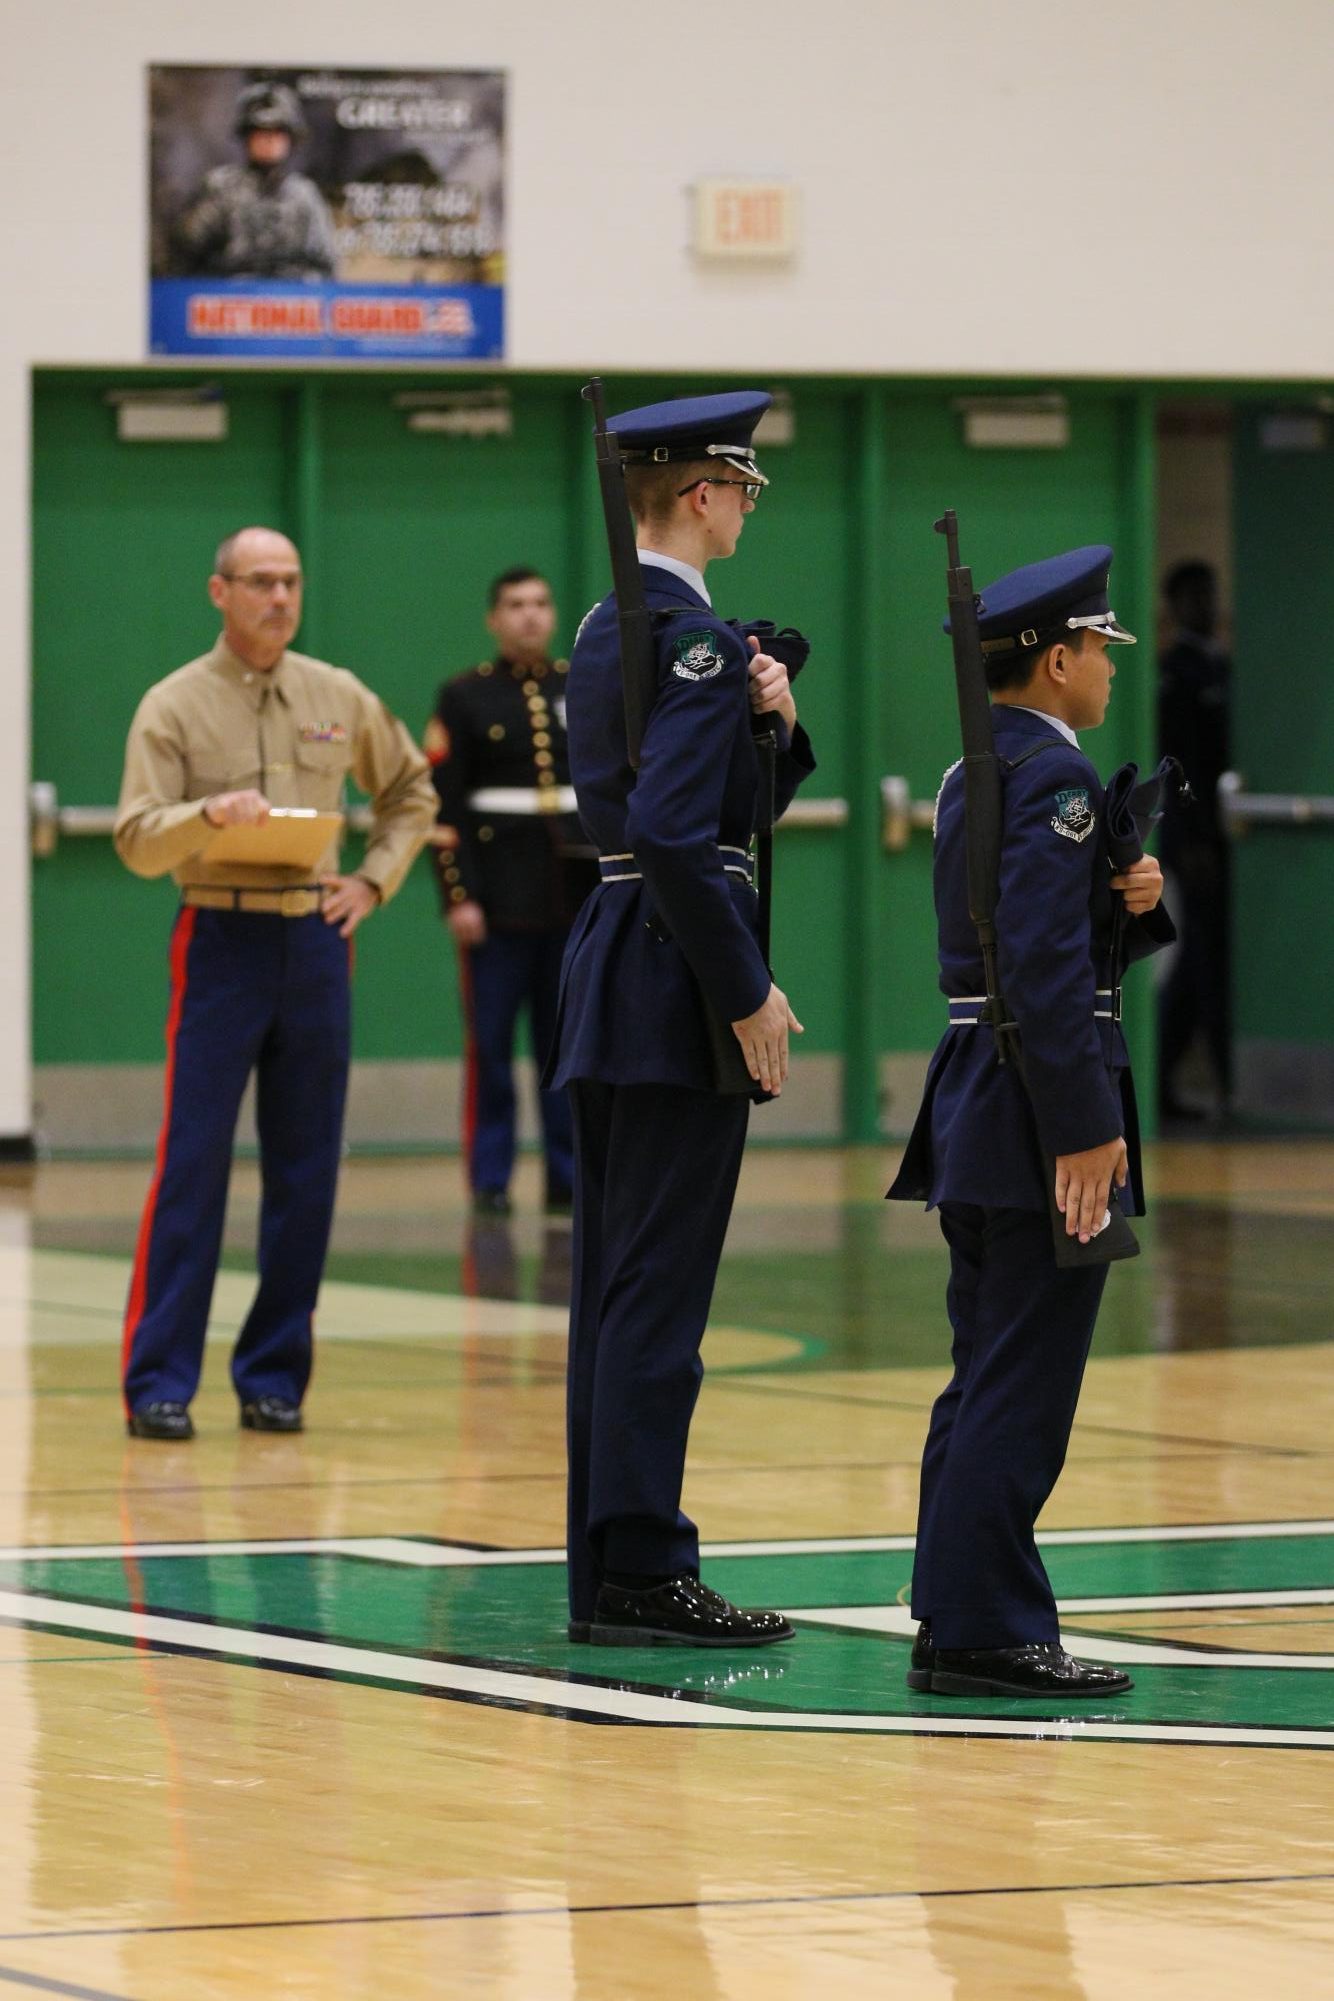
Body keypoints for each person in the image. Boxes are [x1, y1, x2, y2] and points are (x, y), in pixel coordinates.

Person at [549, 390, 816, 1647]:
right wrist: (745, 991)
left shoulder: (619, 623)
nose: (746, 508)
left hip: (618, 967)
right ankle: (645, 1566)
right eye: (741, 488)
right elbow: (674, 833)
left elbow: (694, 803)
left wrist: (777, 722)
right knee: (657, 1298)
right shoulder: (686, 634)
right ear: (700, 494)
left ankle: (609, 1566)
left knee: (622, 1289)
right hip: (671, 977)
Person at [888, 546, 1174, 1696]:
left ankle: (951, 1604)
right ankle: (985, 1628)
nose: (1108, 668)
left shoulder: (974, 773)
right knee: (1022, 1379)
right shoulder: (1053, 784)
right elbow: (1047, 974)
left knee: (984, 1368)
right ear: (1055, 661)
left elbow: (1021, 937)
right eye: (1099, 647)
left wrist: (1127, 898)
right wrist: (1084, 1124)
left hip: (977, 1087)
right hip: (1033, 1098)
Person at [114, 525, 437, 1440]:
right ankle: (159, 1381)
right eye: (260, 581)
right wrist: (205, 813)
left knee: (307, 1169)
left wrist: (373, 878)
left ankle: (273, 1375)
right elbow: (137, 837)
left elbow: (411, 793)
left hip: (315, 943)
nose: (279, 598)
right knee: (194, 1164)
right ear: (220, 591)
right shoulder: (173, 704)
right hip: (219, 938)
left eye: (291, 581)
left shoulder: (337, 694)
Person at [425, 569, 598, 1215]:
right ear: (493, 619)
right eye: (515, 606)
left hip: (573, 901)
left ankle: (567, 1174)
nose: (529, 616)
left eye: (540, 604)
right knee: (492, 1048)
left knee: (566, 1047)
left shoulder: (581, 687)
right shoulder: (464, 697)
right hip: (496, 903)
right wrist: (458, 896)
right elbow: (443, 810)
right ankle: (491, 1176)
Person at [1157, 558, 1232, 1117]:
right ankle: (1186, 1080)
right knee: (1197, 962)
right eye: (1195, 597)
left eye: (1210, 595)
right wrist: (1187, 840)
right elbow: (1174, 765)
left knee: (1208, 962)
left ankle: (1192, 1076)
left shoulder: (1225, 669)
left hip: (1235, 833)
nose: (1206, 607)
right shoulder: (1174, 675)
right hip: (1196, 840)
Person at [172, 82, 337, 281]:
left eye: (277, 132)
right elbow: (184, 252)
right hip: (228, 297)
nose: (268, 140)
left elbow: (326, 267)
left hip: (289, 301)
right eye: (260, 132)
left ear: (290, 139)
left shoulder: (305, 195)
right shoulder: (220, 188)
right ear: (247, 137)